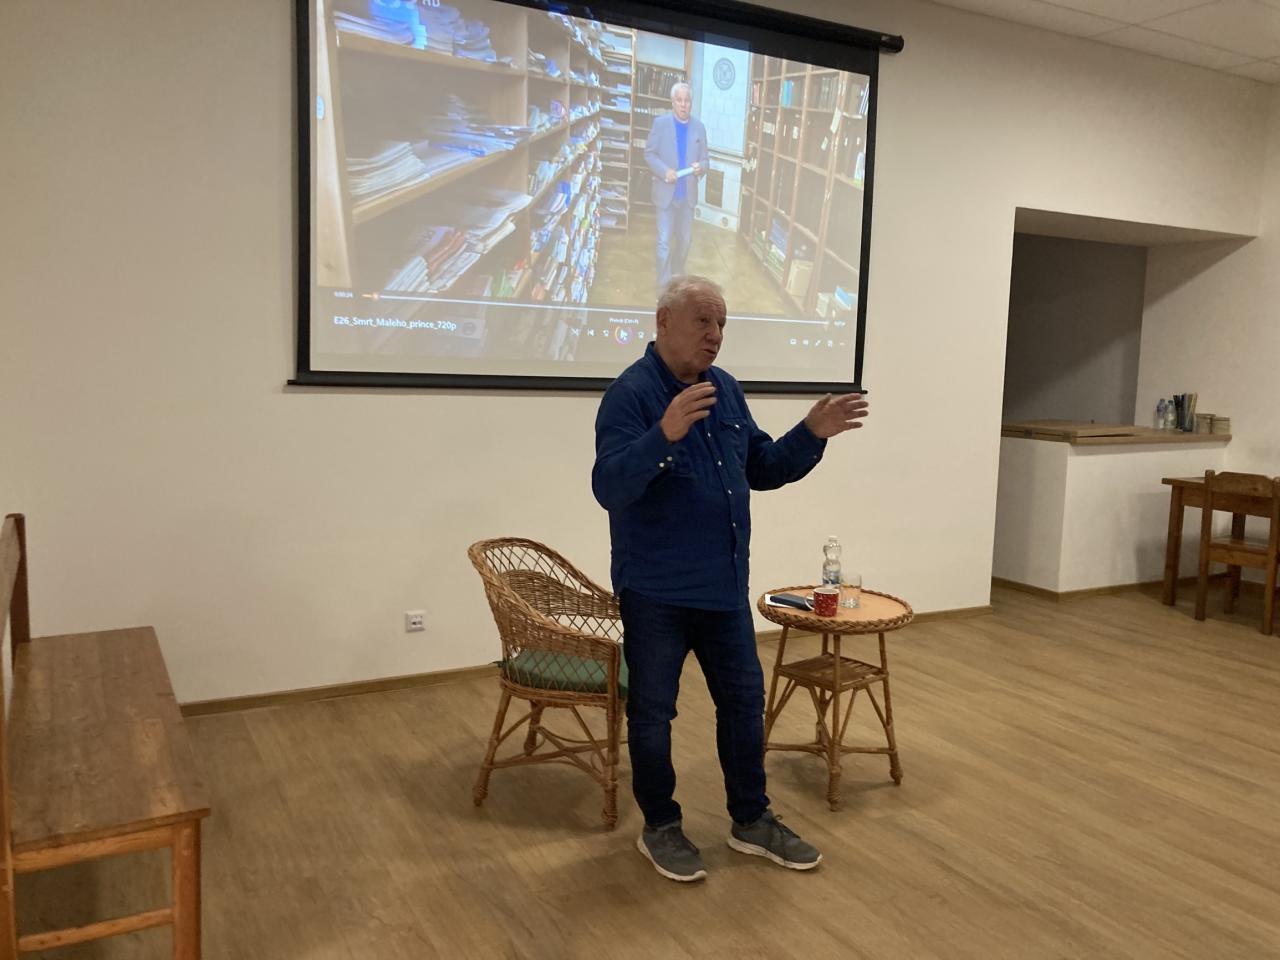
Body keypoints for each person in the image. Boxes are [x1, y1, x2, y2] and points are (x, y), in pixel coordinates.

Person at [591, 275, 869, 882]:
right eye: (703, 321)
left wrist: (810, 434)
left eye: (721, 324)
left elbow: (761, 468)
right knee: (653, 715)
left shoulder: (726, 390)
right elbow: (609, 486)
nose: (715, 335)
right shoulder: (630, 395)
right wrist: (663, 436)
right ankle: (660, 826)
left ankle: (751, 820)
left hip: (722, 590)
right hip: (656, 592)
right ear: (663, 322)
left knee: (743, 706)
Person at [644, 83, 709, 290]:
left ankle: (676, 272)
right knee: (664, 243)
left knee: (685, 241)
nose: (683, 104)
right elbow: (649, 154)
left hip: (687, 197)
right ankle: (664, 288)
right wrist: (664, 171)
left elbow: (706, 160)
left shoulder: (699, 128)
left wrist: (701, 167)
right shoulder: (660, 124)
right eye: (679, 100)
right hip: (666, 196)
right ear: (672, 102)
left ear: (691, 103)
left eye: (686, 100)